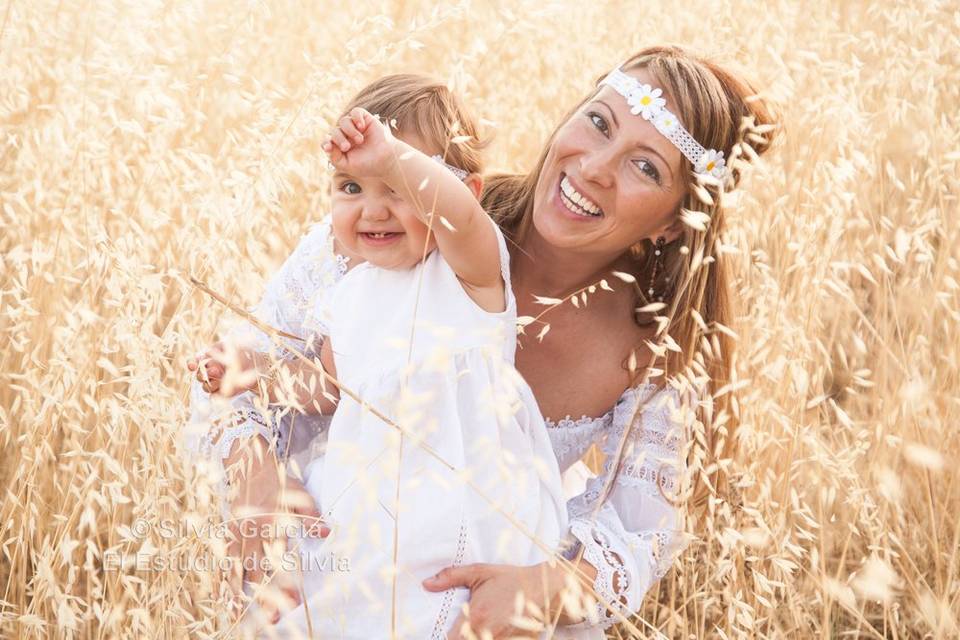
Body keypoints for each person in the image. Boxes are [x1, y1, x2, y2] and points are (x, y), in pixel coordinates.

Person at [188, 44, 777, 638]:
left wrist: (543, 589)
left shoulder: (654, 351)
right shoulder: (399, 228)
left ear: (675, 220)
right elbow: (270, 372)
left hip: (481, 589)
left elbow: (640, 534)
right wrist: (251, 467)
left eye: (645, 166)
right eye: (599, 123)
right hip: (346, 553)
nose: (595, 167)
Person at [187, 74, 568, 637]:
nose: (374, 210)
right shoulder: (349, 294)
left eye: (398, 187)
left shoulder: (470, 271)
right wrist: (252, 373)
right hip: (365, 500)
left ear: (467, 190)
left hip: (462, 501)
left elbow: (457, 215)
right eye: (351, 187)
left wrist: (391, 157)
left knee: (435, 609)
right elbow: (327, 388)